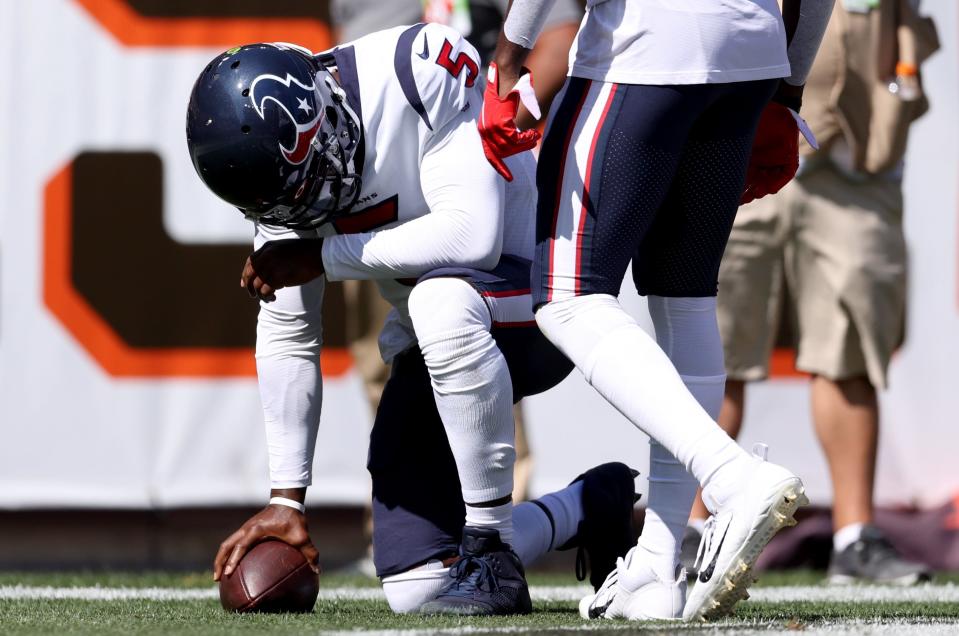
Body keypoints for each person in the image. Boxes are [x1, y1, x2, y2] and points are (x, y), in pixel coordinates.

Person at [185, 27, 634, 615]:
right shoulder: (282, 173)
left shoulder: (414, 69)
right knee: (418, 587)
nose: (310, 205)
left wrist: (320, 256)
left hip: (547, 295)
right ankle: (588, 506)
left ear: (320, 114)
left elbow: (471, 235)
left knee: (439, 300)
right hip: (441, 333)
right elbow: (290, 336)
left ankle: (493, 549)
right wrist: (286, 501)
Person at [451, 0, 834, 622]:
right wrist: (789, 85)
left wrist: (509, 50)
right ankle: (659, 559)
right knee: (686, 297)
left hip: (649, 47)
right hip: (751, 56)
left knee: (566, 297)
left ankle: (730, 475)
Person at [686, 0, 937, 586]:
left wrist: (902, 79)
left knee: (849, 348)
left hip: (851, 160)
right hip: (738, 140)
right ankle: (687, 530)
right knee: (712, 349)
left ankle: (854, 538)